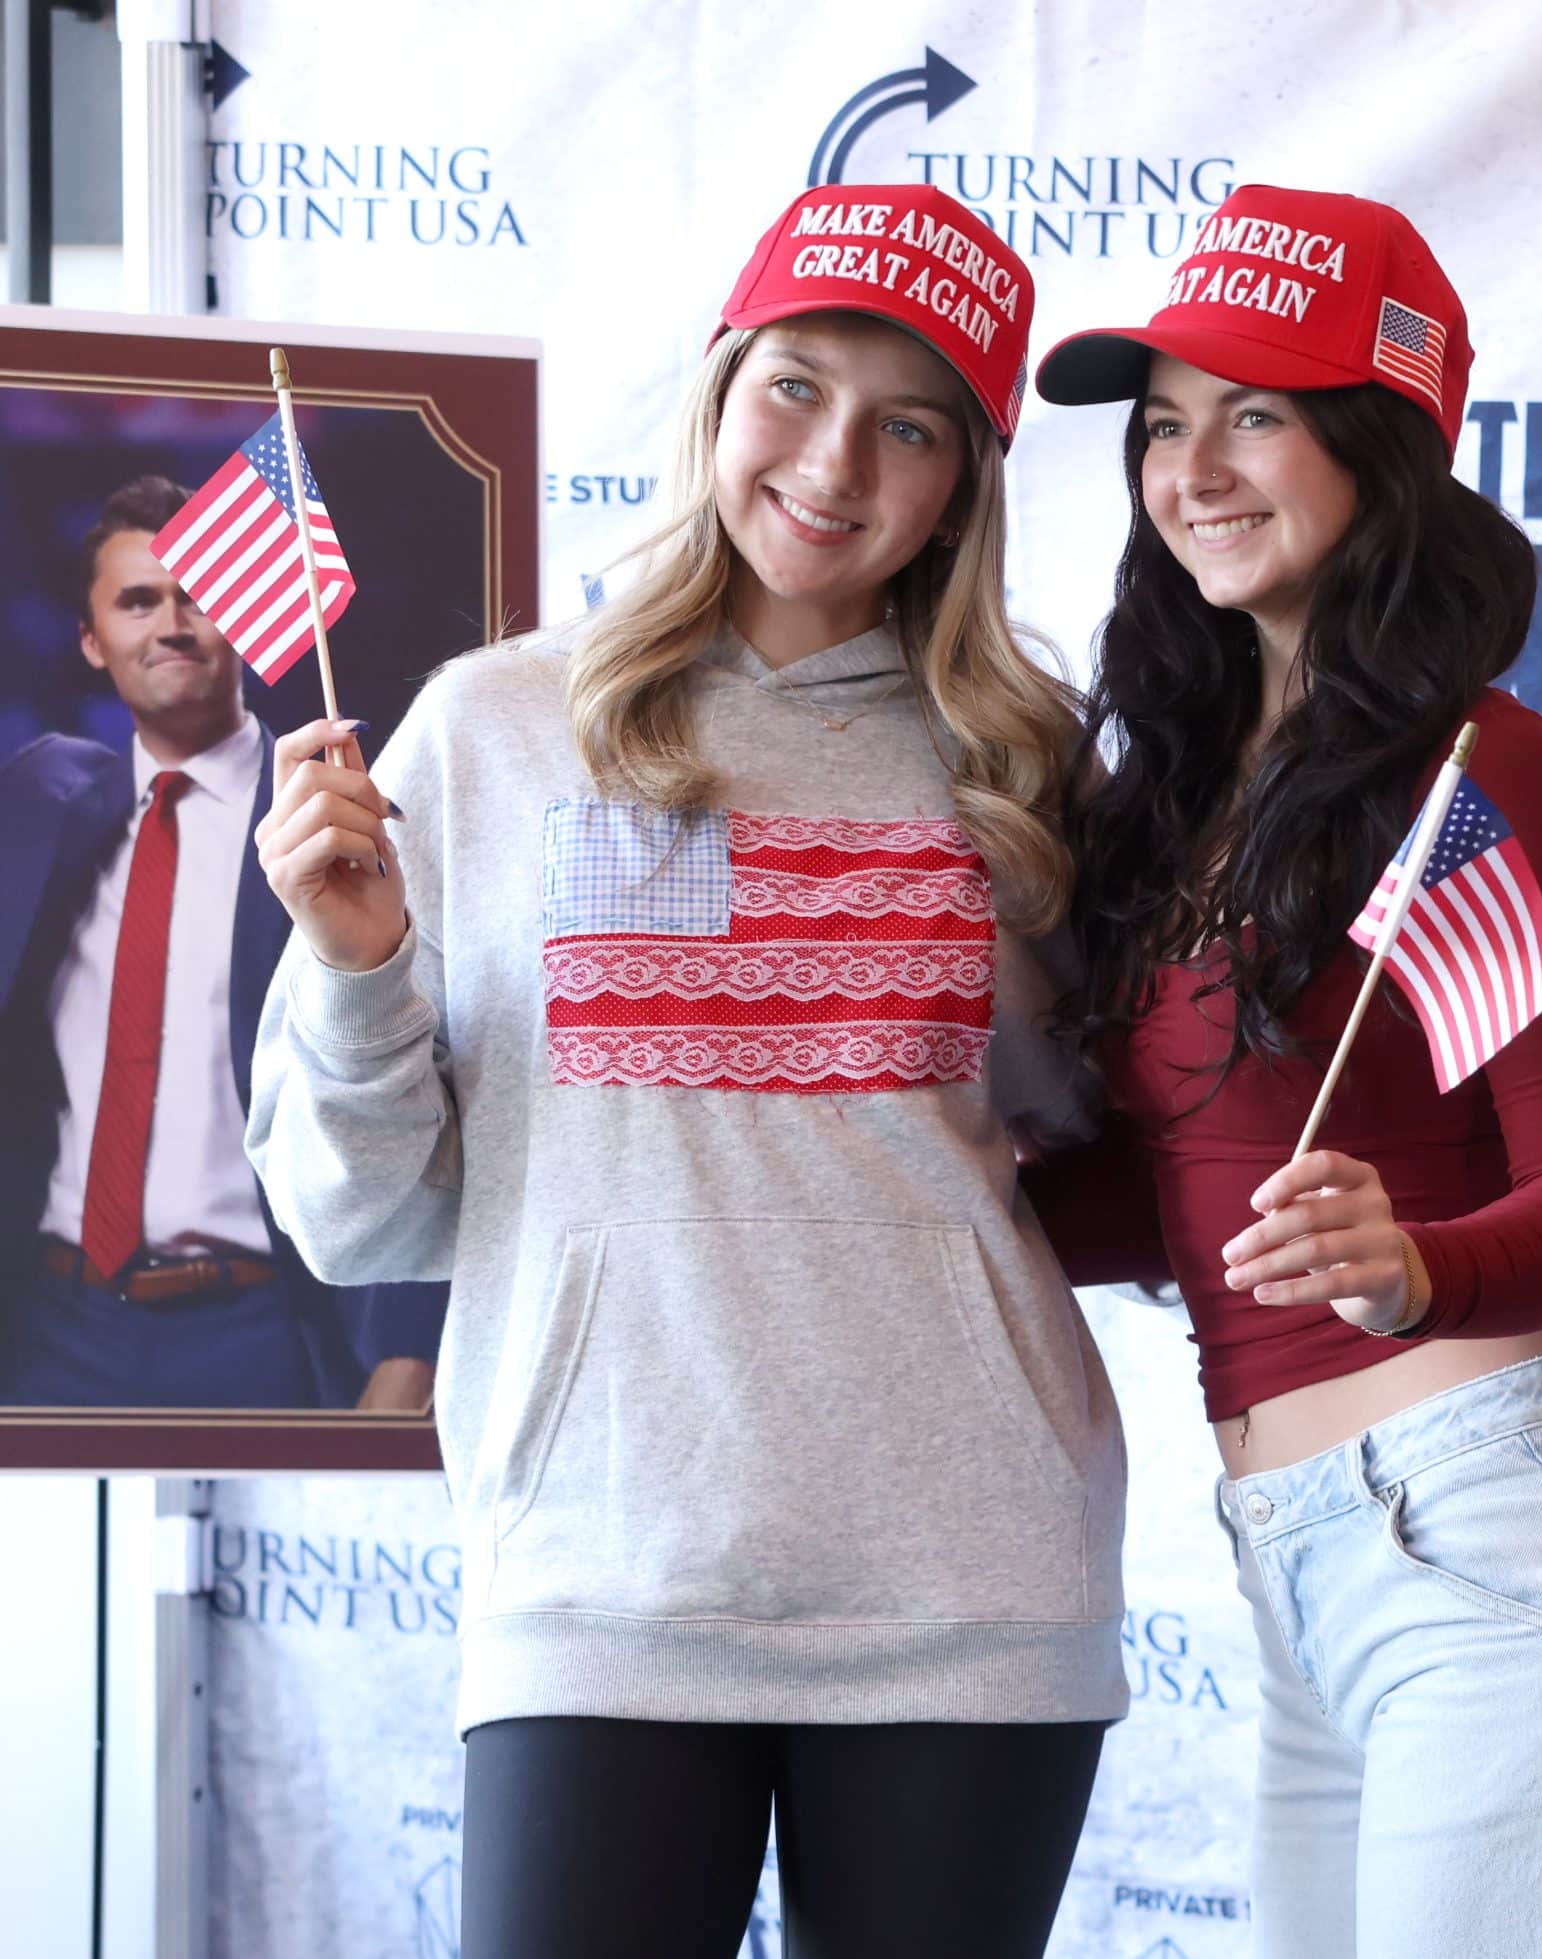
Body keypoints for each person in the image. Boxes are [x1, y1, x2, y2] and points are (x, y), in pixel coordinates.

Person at [245, 184, 1126, 1958]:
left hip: (968, 1574)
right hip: (599, 1561)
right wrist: (356, 968)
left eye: (911, 427)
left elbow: (1101, 1130)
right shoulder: (493, 724)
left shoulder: (1019, 764)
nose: (835, 462)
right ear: (719, 392)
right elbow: (358, 1222)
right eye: (795, 387)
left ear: (967, 481)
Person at [1029, 185, 1542, 1958]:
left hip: (1501, 1549)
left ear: (1379, 445)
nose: (1193, 471)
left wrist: (1416, 1262)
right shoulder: (1188, 787)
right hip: (1301, 1564)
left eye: (1254, 416)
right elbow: (1172, 1196)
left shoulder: (1486, 774)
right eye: (1162, 427)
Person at [0, 475, 442, 1410]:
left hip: (267, 1326)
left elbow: (434, 1066)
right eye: (136, 600)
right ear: (91, 640)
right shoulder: (43, 813)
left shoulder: (337, 822)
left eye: (196, 594)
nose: (171, 624)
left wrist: (408, 1348)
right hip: (53, 1321)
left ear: (241, 614)